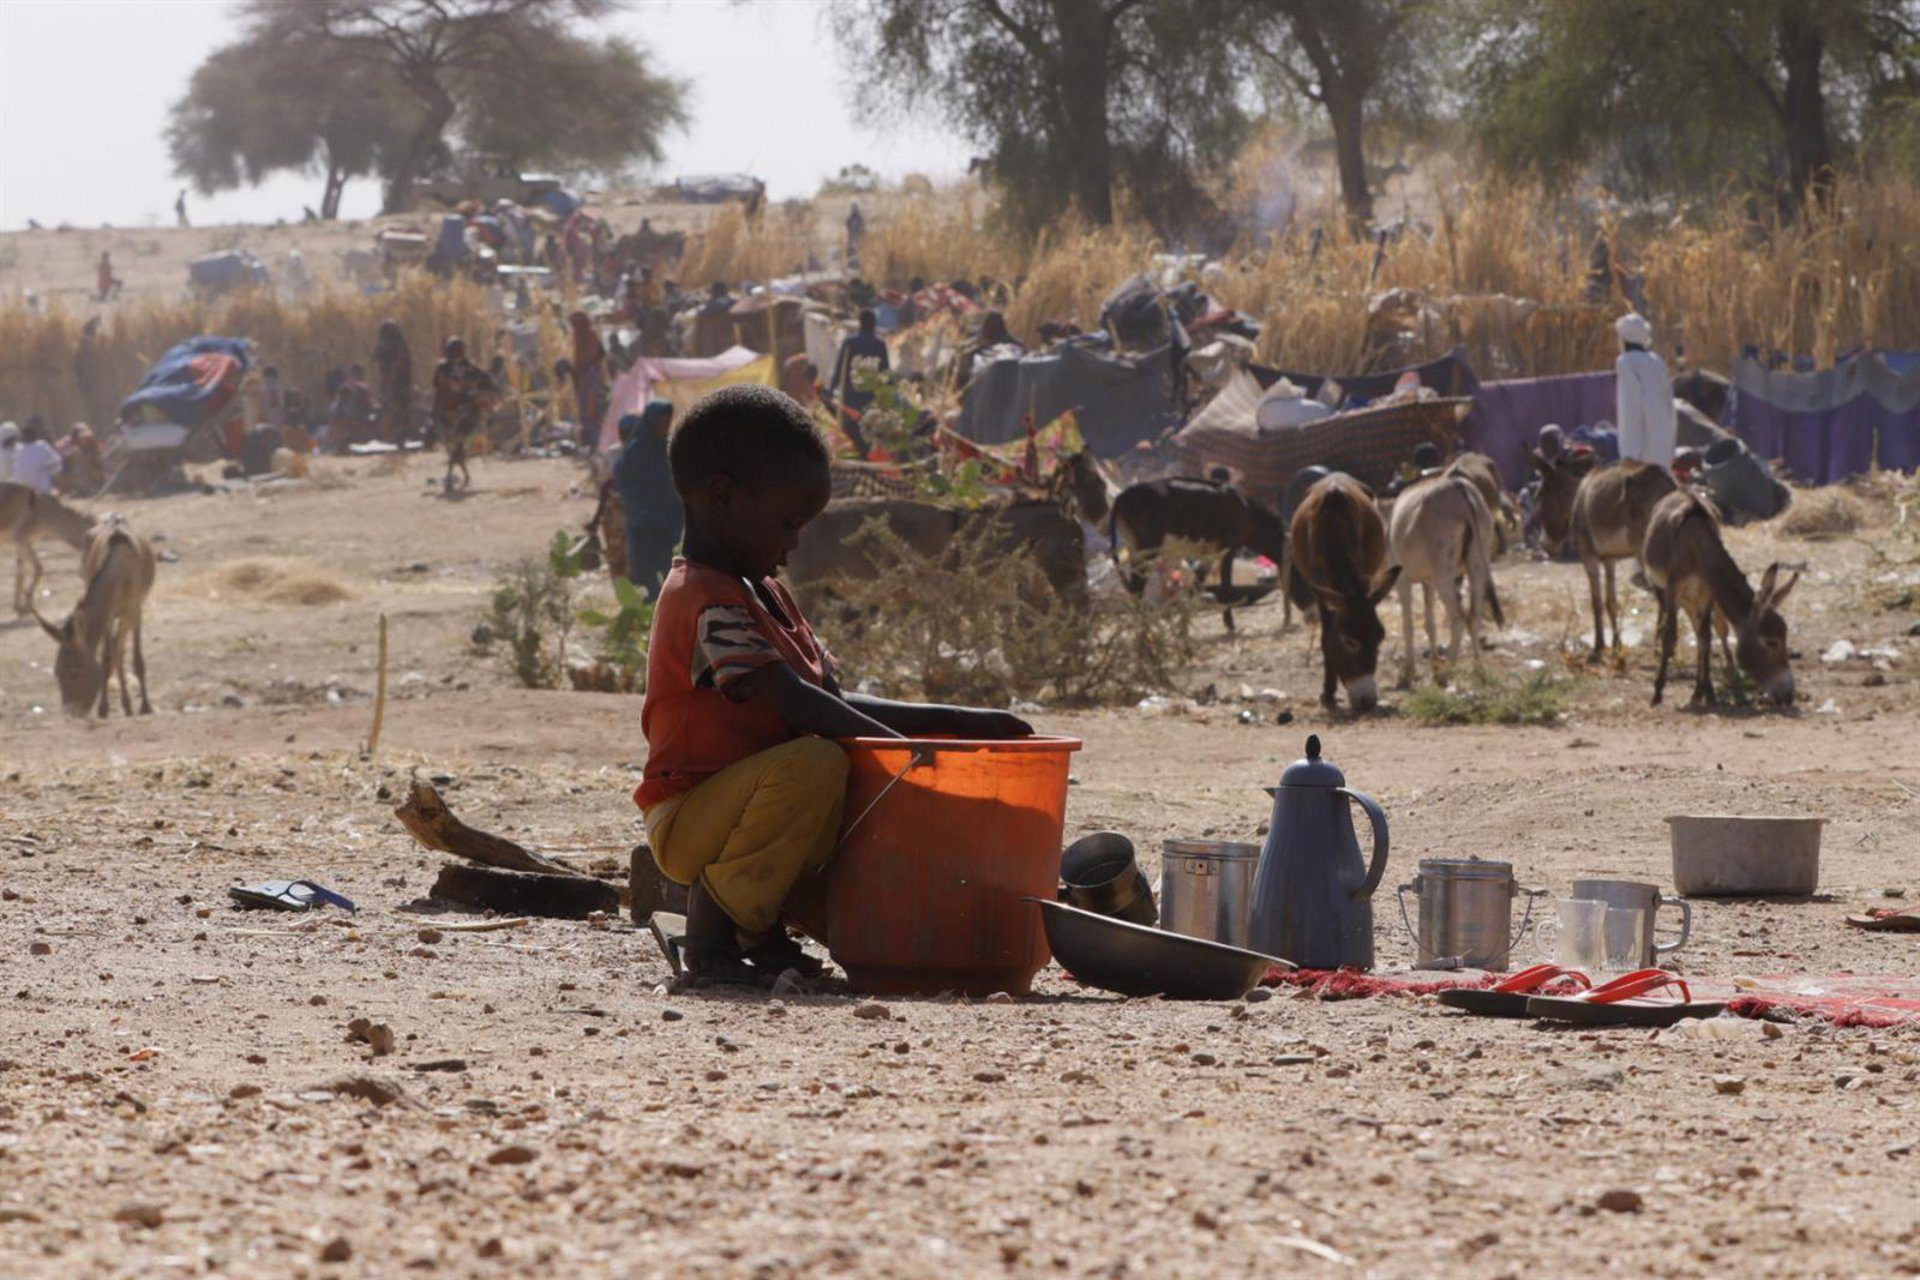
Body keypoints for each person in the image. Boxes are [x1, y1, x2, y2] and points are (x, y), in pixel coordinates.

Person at [635, 384, 1030, 983]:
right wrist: (904, 754)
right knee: (821, 762)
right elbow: (795, 701)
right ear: (722, 496)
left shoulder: (767, 595)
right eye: (789, 524)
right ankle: (712, 937)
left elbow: (831, 700)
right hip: (691, 816)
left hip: (748, 810)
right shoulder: (704, 597)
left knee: (843, 783)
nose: (794, 544)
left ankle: (760, 930)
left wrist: (965, 723)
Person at [610, 400, 683, 595]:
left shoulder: (670, 448)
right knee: (646, 573)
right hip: (644, 522)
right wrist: (639, 506)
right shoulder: (635, 452)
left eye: (667, 422)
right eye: (661, 422)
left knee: (671, 569)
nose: (665, 426)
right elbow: (623, 480)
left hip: (671, 521)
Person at [431, 337, 497, 492]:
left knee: (457, 442)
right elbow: (439, 390)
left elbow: (487, 388)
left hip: (466, 412)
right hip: (448, 413)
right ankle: (464, 475)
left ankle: (451, 475)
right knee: (455, 445)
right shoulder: (444, 369)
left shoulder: (469, 370)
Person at [1615, 313, 1676, 470]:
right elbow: (1669, 406)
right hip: (1664, 450)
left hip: (1641, 452)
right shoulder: (1657, 362)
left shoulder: (1626, 362)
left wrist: (1629, 455)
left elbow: (1630, 409)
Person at [829, 308, 890, 425]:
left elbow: (840, 369)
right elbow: (886, 373)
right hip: (871, 396)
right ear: (874, 324)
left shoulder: (849, 342)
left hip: (850, 396)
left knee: (850, 427)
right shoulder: (879, 344)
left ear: (860, 323)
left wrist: (831, 390)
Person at [569, 311, 609, 438]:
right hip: (586, 375)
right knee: (586, 405)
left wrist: (583, 369)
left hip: (589, 375)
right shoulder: (580, 335)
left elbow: (597, 354)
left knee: (591, 406)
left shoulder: (589, 336)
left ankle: (593, 434)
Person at [373, 319, 414, 443]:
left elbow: (401, 362)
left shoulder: (399, 345)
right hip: (392, 381)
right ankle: (394, 433)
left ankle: (399, 434)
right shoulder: (387, 345)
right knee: (393, 407)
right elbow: (375, 357)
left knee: (398, 407)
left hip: (399, 382)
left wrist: (392, 376)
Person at [10, 420, 63, 494]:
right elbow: (57, 462)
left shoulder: (17, 448)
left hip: (19, 490)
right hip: (40, 490)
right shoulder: (42, 445)